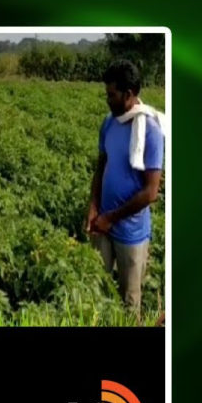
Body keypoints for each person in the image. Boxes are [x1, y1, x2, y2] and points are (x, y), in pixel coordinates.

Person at [86, 59, 165, 315]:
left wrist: (111, 217)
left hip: (131, 232)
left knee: (130, 302)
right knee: (95, 291)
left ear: (129, 95)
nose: (107, 100)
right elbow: (101, 167)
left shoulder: (150, 130)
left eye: (112, 95)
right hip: (102, 224)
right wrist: (94, 208)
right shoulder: (109, 122)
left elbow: (151, 192)